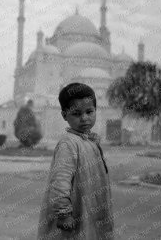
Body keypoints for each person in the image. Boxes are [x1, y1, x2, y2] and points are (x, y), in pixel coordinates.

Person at [37, 83, 114, 240]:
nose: (84, 118)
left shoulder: (91, 141)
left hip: (91, 211)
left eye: (89, 112)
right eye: (77, 114)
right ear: (65, 115)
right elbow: (60, 181)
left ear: (96, 111)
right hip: (72, 219)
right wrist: (63, 213)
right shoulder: (69, 143)